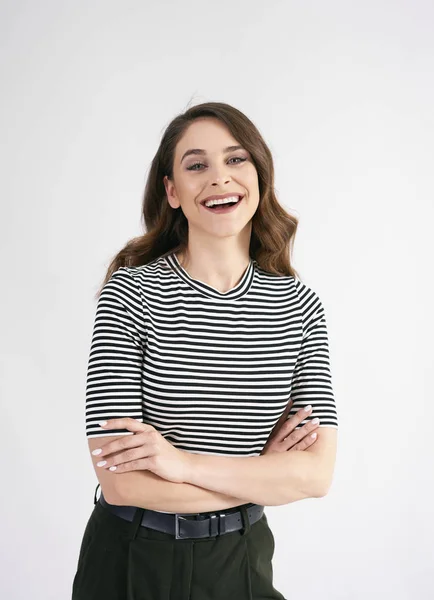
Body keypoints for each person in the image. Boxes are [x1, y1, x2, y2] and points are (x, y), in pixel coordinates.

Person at [71, 101, 339, 600]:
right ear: (172, 191)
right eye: (197, 165)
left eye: (236, 160)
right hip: (133, 558)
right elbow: (122, 485)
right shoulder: (130, 294)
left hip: (242, 559)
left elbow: (316, 474)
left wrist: (181, 464)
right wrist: (262, 477)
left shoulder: (298, 305)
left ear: (259, 175)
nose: (220, 178)